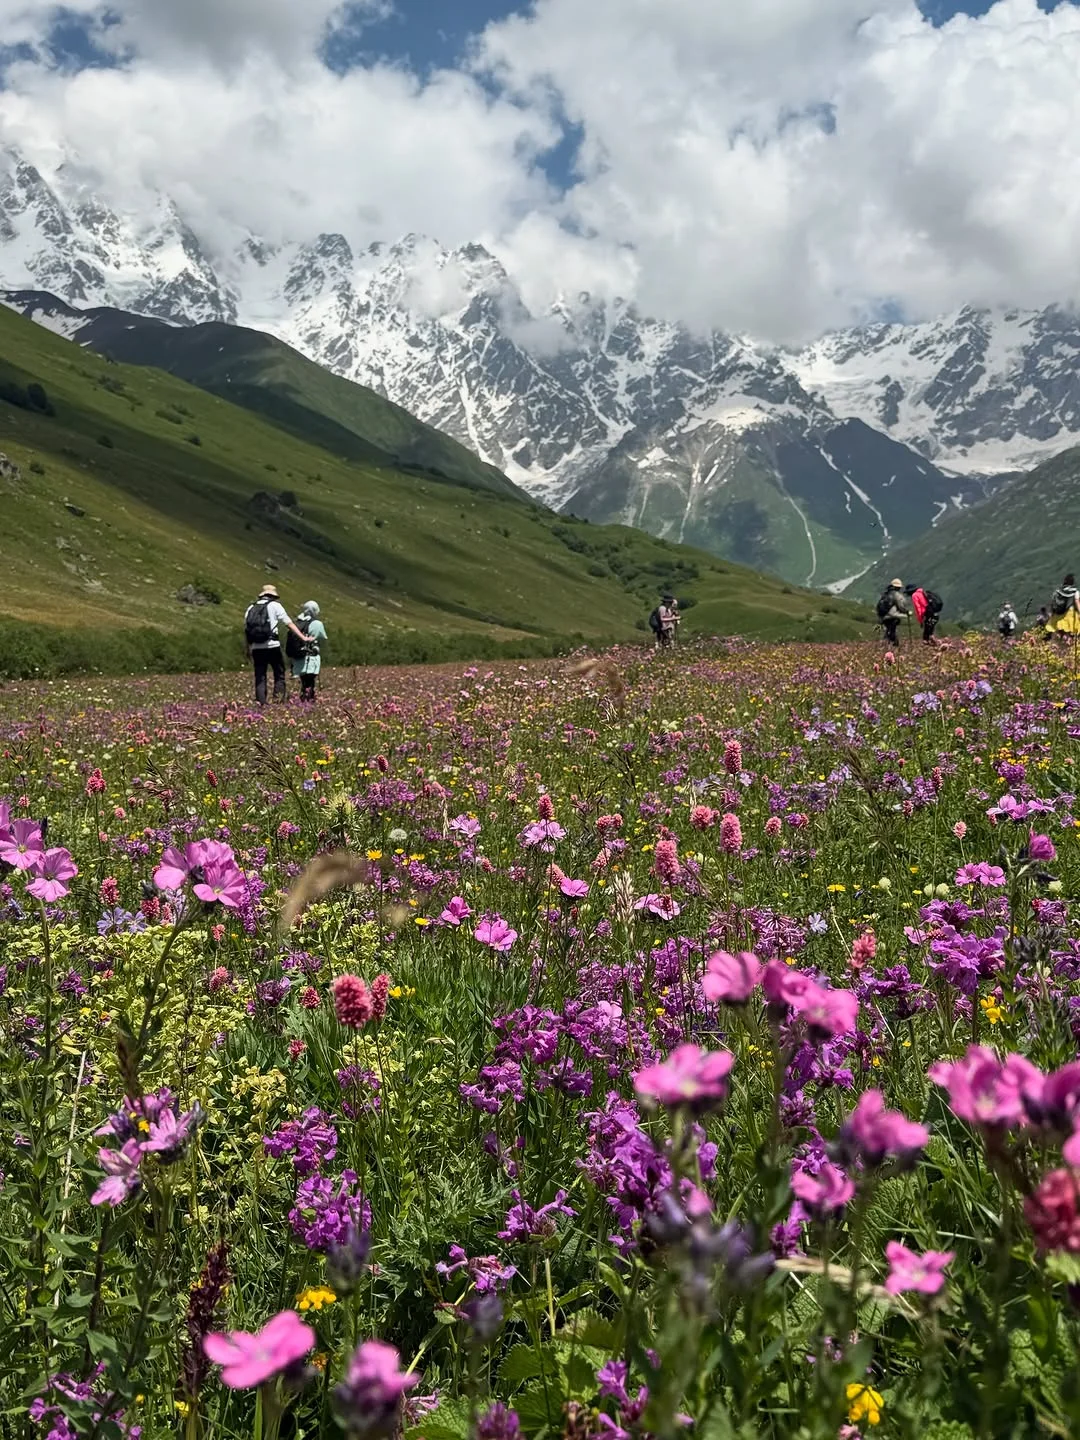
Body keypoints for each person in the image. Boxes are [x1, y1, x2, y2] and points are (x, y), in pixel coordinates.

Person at [244, 584, 309, 705]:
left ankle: (261, 704)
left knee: (260, 676)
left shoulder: (250, 608)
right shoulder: (275, 606)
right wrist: (303, 637)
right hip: (272, 645)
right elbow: (288, 623)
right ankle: (278, 701)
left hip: (256, 647)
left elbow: (247, 630)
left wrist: (248, 649)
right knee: (279, 674)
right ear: (273, 596)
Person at [287, 600, 327, 702]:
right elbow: (322, 637)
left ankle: (304, 700)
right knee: (310, 682)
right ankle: (308, 701)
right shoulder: (316, 623)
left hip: (299, 658)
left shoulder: (296, 623)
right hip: (311, 658)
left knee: (304, 681)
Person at [876, 578, 910, 647]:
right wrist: (906, 612)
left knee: (889, 631)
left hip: (884, 616)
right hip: (892, 616)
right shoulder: (896, 595)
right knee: (892, 631)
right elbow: (901, 606)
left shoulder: (885, 594)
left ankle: (887, 644)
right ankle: (893, 646)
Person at [1047, 573, 1080, 642]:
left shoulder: (1058, 591)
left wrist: (1051, 613)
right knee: (1072, 632)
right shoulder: (1075, 591)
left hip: (1058, 614)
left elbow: (1052, 603)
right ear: (1072, 582)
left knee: (1059, 632)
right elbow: (1077, 603)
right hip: (1070, 614)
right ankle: (1069, 643)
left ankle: (1058, 643)